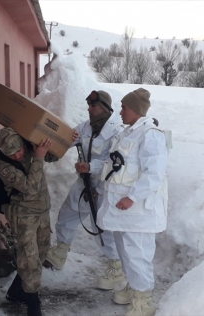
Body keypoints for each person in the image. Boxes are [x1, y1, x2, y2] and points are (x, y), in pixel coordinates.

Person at [96, 88, 169, 316]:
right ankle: (134, 286)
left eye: (124, 108)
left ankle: (144, 300)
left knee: (137, 253)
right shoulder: (127, 134)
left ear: (136, 110)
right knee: (125, 252)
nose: (120, 112)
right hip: (122, 210)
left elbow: (154, 173)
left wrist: (132, 197)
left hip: (138, 210)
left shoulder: (151, 135)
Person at [45, 90, 126, 291]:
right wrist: (52, 148)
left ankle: (115, 267)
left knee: (102, 227)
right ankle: (59, 253)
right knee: (67, 215)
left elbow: (114, 162)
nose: (90, 110)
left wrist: (91, 167)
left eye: (94, 106)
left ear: (105, 108)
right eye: (88, 106)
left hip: (105, 187)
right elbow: (67, 139)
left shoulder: (117, 131)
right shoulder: (85, 127)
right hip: (84, 183)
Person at [0, 128, 56, 316]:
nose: (17, 155)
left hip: (42, 211)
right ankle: (32, 302)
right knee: (29, 259)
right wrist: (38, 157)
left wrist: (53, 146)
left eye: (19, 150)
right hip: (24, 215)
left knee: (41, 253)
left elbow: (53, 158)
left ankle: (16, 291)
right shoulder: (2, 165)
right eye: (11, 153)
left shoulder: (29, 148)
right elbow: (30, 188)